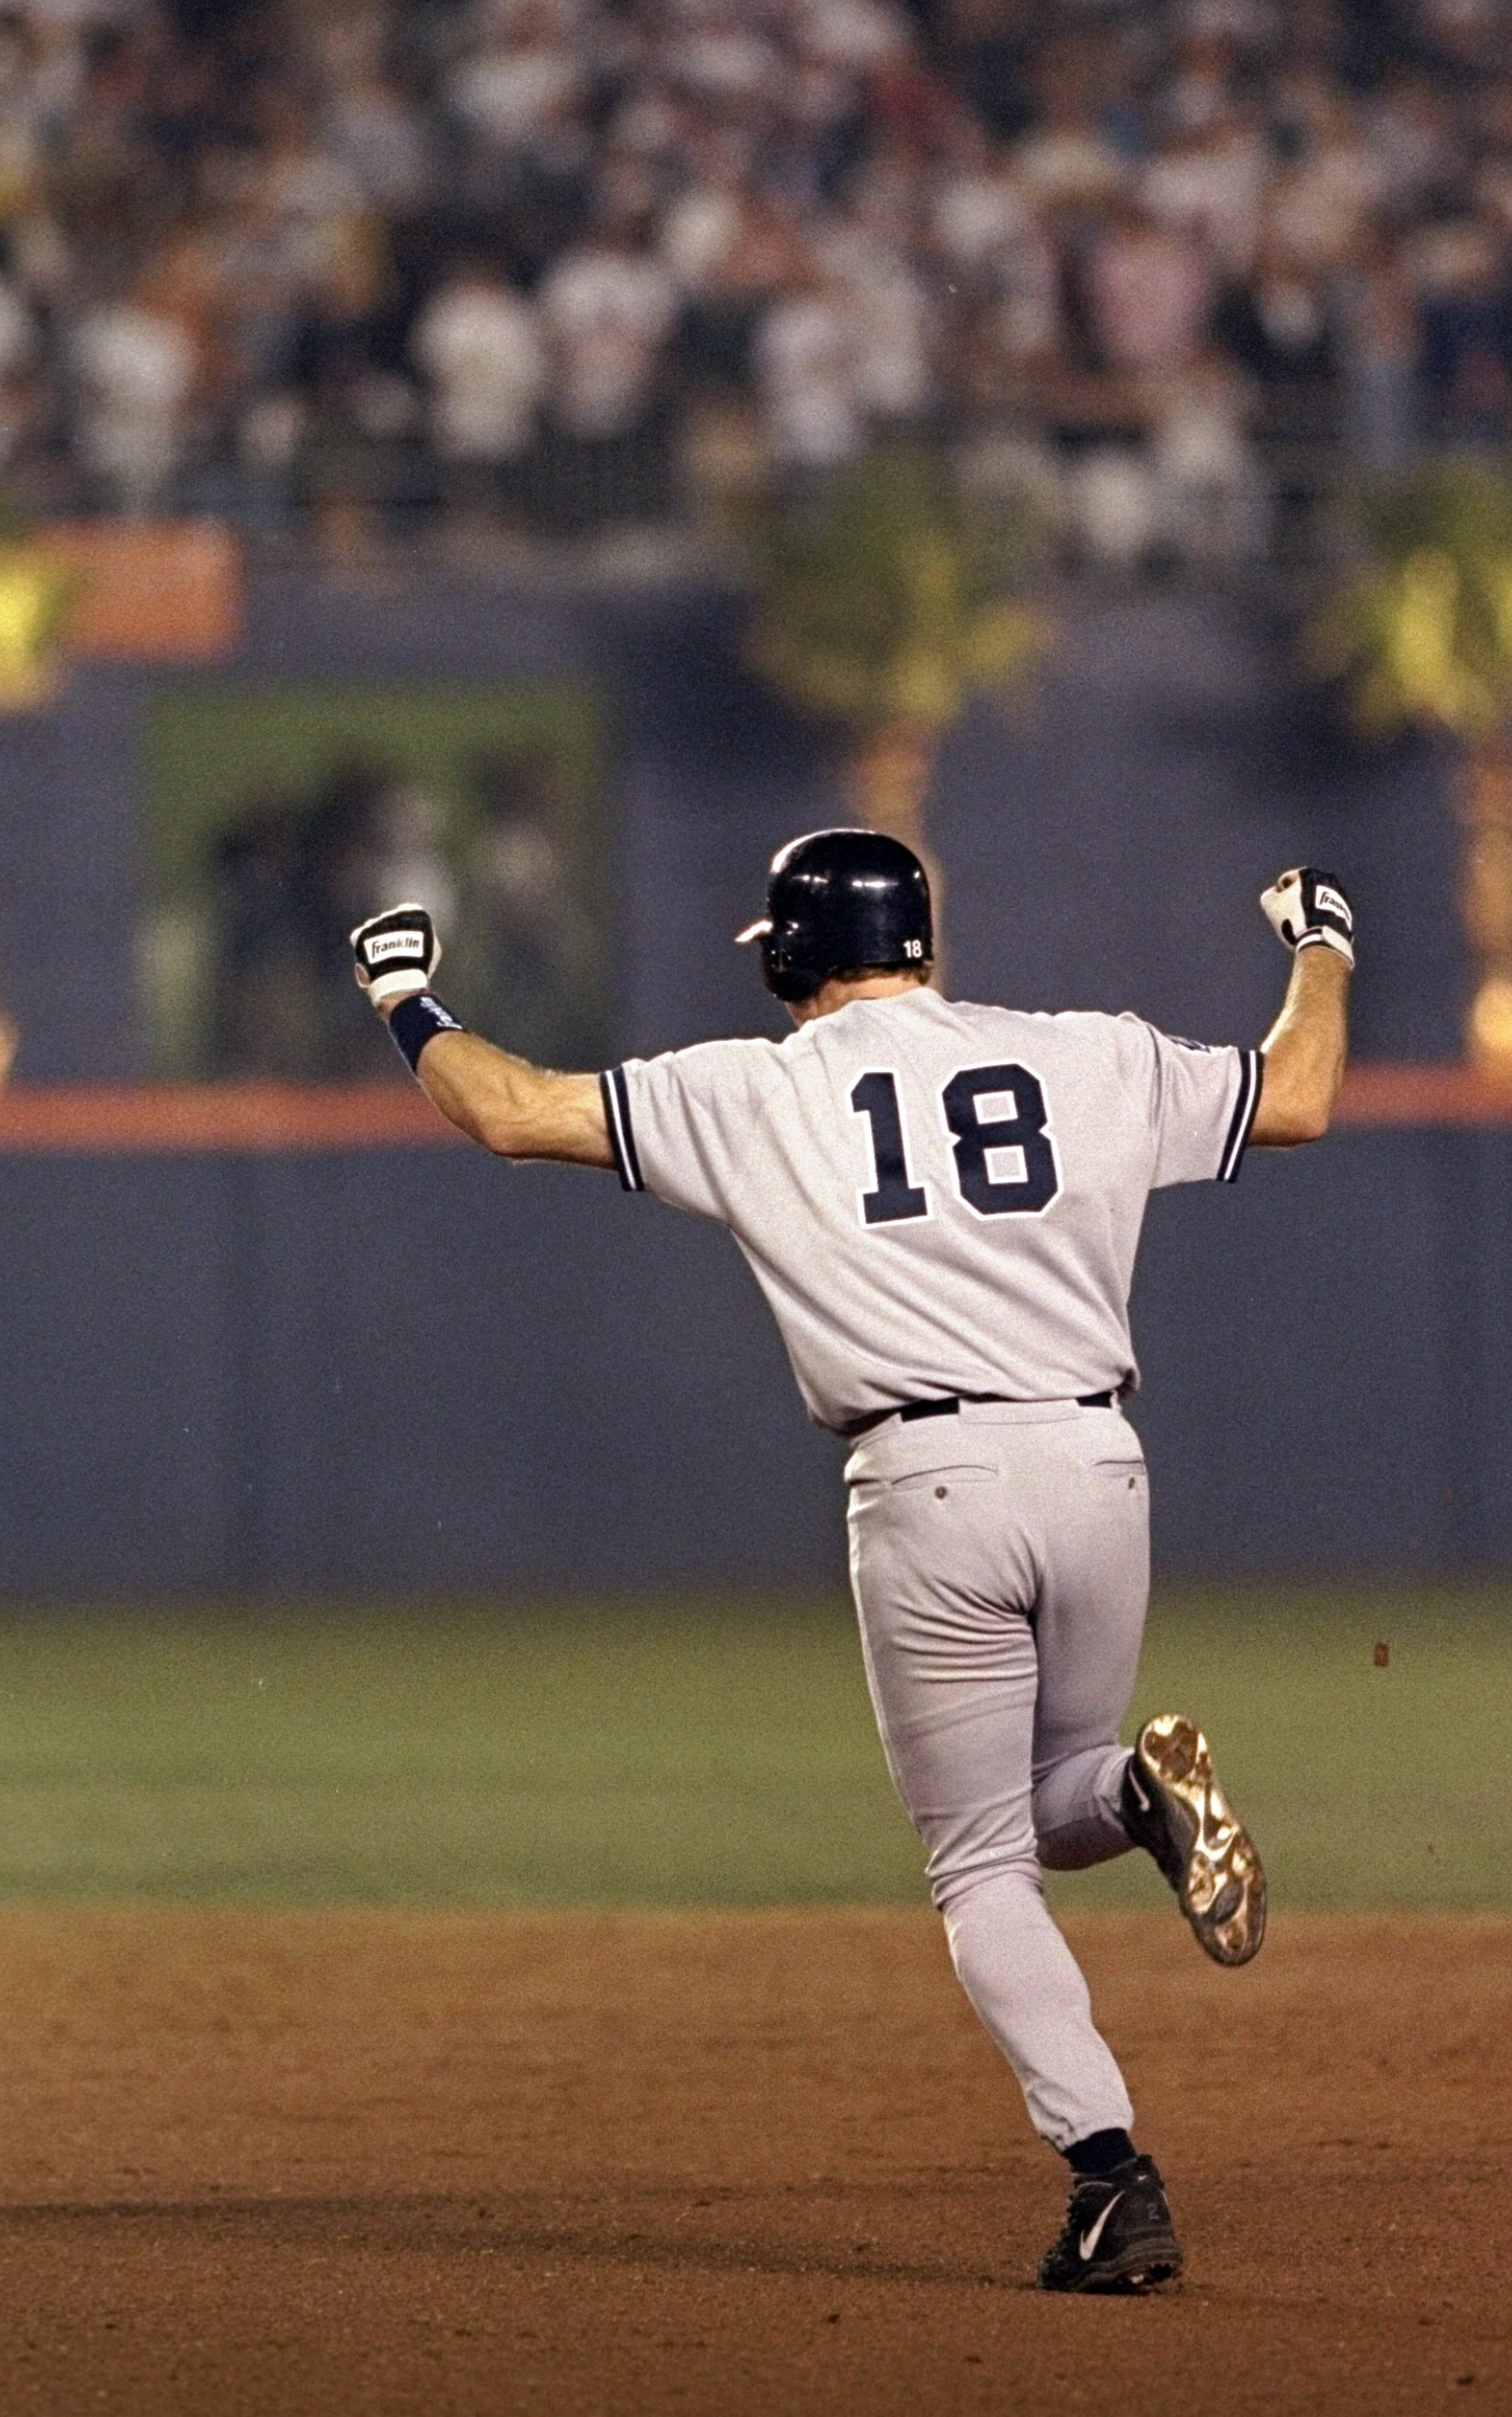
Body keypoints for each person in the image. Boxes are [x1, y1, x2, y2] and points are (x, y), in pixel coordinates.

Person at [347, 833, 1354, 2293]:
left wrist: (404, 998)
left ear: (790, 957)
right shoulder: (1089, 1054)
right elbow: (1300, 1094)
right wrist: (1321, 946)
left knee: (982, 1869)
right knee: (1055, 1795)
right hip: (1098, 1463)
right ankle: (1139, 1793)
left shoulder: (753, 1090)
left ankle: (1113, 2182)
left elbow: (508, 1113)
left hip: (929, 1480)